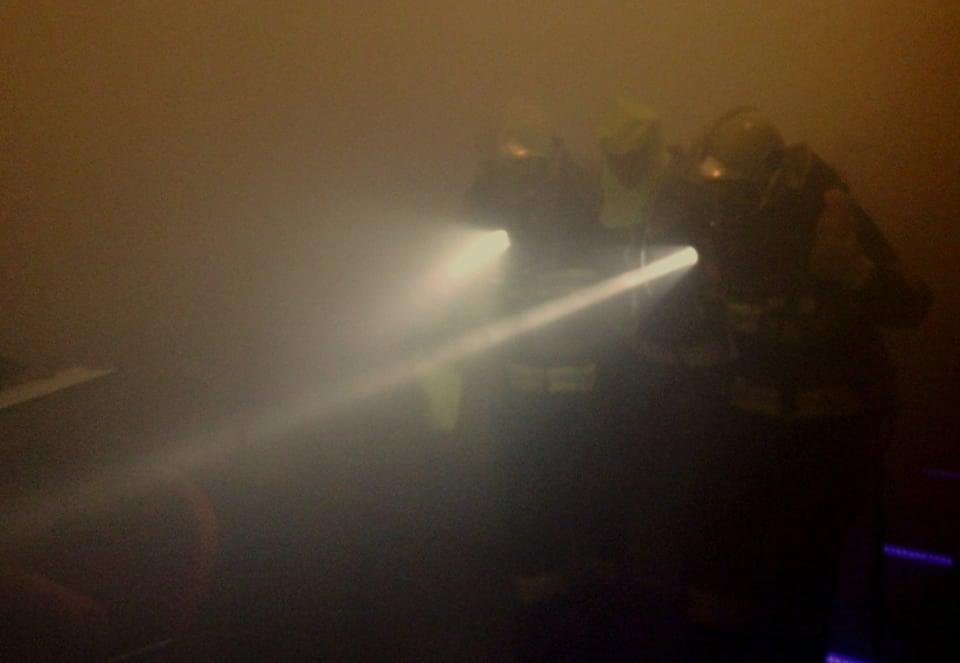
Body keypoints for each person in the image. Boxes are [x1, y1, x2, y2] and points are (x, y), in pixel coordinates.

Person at [644, 107, 931, 661]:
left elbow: (914, 304)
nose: (722, 199)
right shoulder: (722, 219)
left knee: (800, 578)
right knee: (714, 563)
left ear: (770, 180)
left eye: (733, 187)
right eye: (716, 187)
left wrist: (856, 272)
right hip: (743, 425)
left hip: (821, 437)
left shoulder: (826, 214)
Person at [463, 101, 621, 660]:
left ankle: (587, 618)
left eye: (528, 169)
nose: (521, 181)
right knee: (532, 509)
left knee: (588, 507)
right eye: (514, 169)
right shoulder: (492, 202)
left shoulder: (584, 199)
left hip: (587, 399)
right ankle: (542, 622)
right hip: (523, 396)